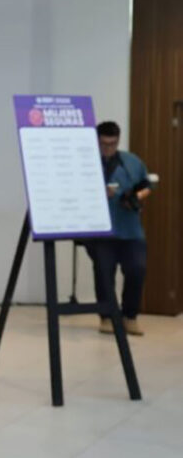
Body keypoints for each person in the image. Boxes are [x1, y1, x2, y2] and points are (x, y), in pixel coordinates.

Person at [87, 121, 152, 336]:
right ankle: (106, 316)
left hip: (130, 229)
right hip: (100, 230)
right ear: (96, 141)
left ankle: (130, 316)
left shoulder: (132, 162)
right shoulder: (86, 163)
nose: (108, 148)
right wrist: (98, 193)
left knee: (137, 269)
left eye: (113, 144)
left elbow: (147, 186)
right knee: (104, 272)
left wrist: (135, 197)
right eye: (104, 144)